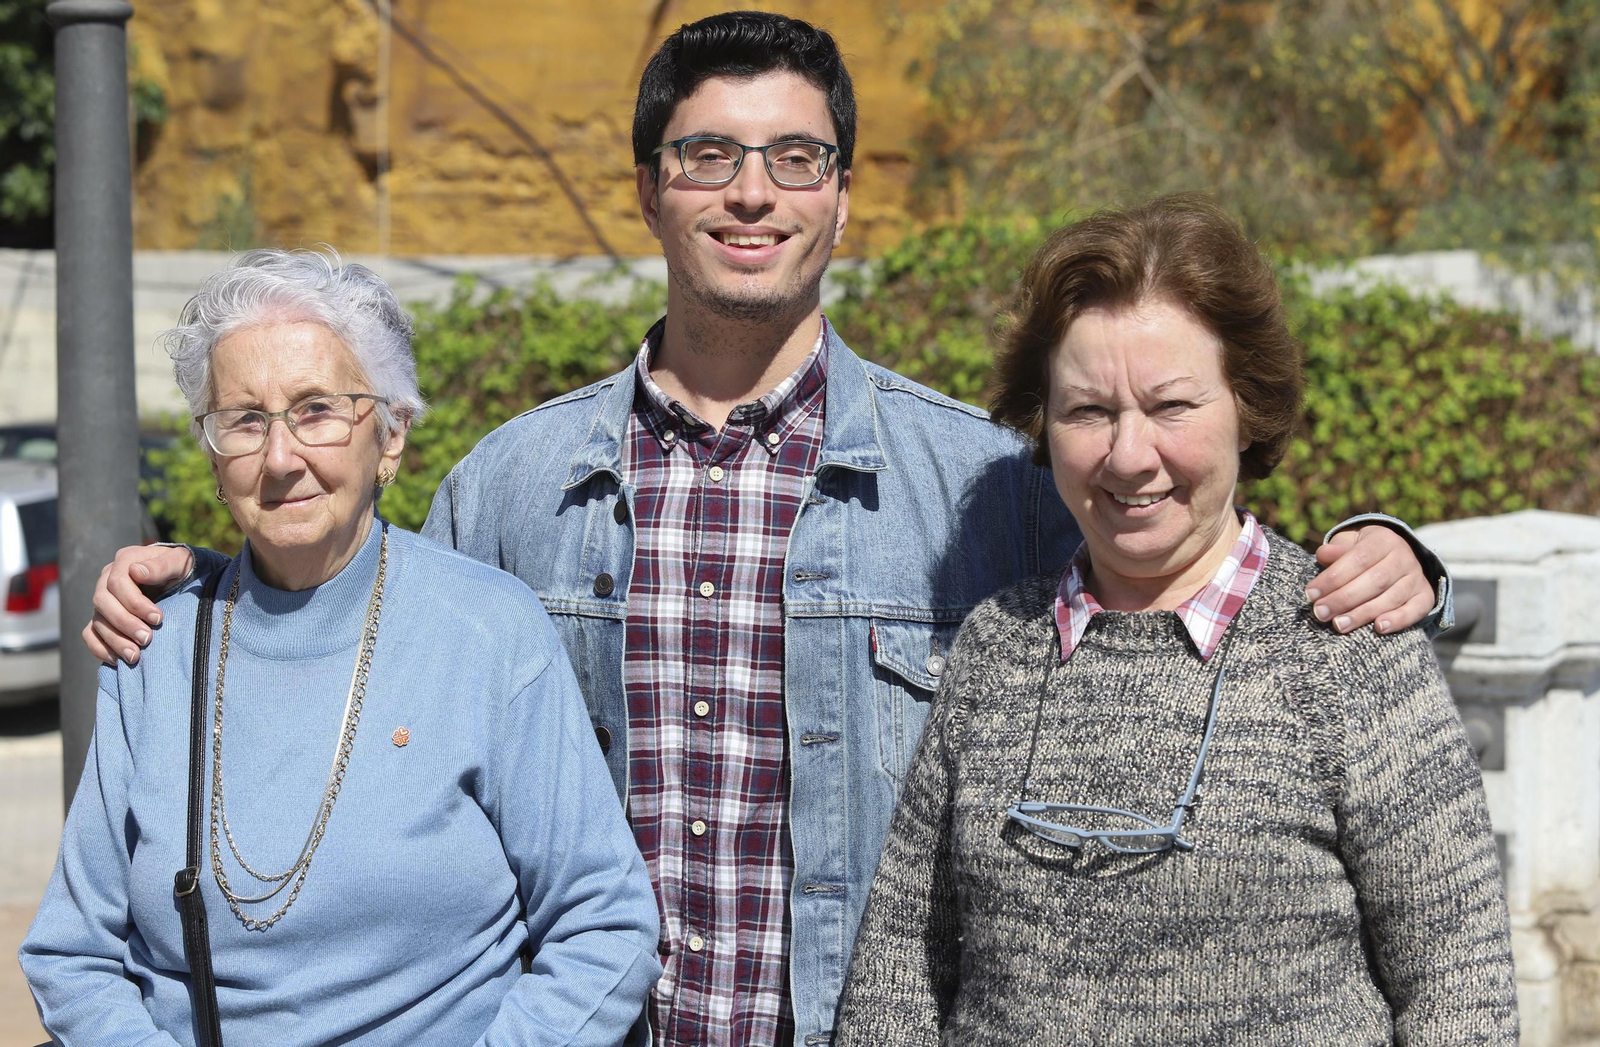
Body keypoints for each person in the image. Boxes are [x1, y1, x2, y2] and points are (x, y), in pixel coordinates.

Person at [81, 13, 1451, 1045]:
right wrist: (199, 582)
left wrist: (1389, 546)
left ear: (844, 194)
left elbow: (1168, 538)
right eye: (710, 156)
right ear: (649, 187)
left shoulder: (978, 483)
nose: (753, 192)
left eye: (796, 157)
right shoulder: (508, 485)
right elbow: (363, 622)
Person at [832, 196, 1517, 1045]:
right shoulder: (996, 646)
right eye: (1089, 410)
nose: (1128, 454)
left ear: (1247, 408)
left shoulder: (1347, 651)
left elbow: (1461, 989)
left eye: (1170, 407)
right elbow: (899, 965)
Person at [22, 249, 661, 1045]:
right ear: (215, 461)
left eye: (317, 409)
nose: (281, 457)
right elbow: (72, 953)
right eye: (245, 420)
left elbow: (605, 924)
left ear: (390, 437)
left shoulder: (489, 634)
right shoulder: (155, 645)